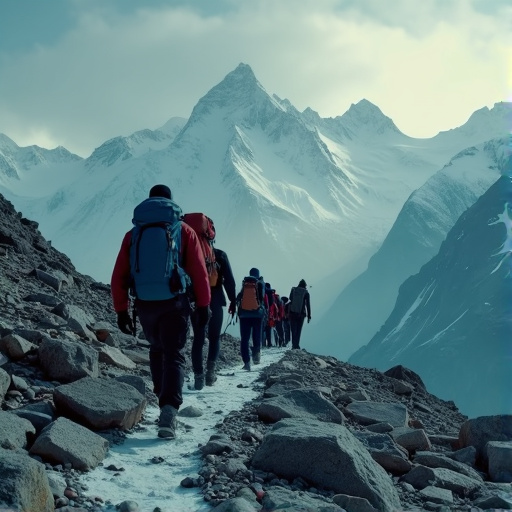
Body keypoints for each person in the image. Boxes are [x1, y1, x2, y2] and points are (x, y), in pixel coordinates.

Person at [111, 184, 210, 439]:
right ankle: (168, 412)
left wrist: (121, 310)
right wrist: (203, 305)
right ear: (171, 203)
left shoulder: (133, 234)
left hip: (144, 303)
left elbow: (119, 275)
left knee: (156, 350)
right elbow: (199, 271)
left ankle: (161, 398)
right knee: (174, 354)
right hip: (175, 302)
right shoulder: (184, 230)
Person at [190, 245, 236, 389]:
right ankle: (210, 374)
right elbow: (229, 280)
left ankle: (198, 377)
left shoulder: (188, 251)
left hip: (195, 299)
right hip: (215, 298)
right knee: (214, 337)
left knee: (198, 337)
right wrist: (233, 301)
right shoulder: (219, 254)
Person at [236, 267, 265, 370]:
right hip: (257, 314)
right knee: (256, 334)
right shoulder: (260, 283)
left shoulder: (245, 284)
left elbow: (239, 297)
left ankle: (247, 363)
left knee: (245, 338)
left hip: (244, 314)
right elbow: (261, 299)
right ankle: (256, 357)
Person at [288, 279, 311, 350]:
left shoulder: (293, 290)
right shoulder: (306, 293)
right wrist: (309, 315)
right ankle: (296, 345)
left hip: (292, 313)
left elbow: (290, 299)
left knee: (293, 329)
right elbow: (308, 305)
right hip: (301, 314)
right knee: (298, 330)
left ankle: (293, 345)